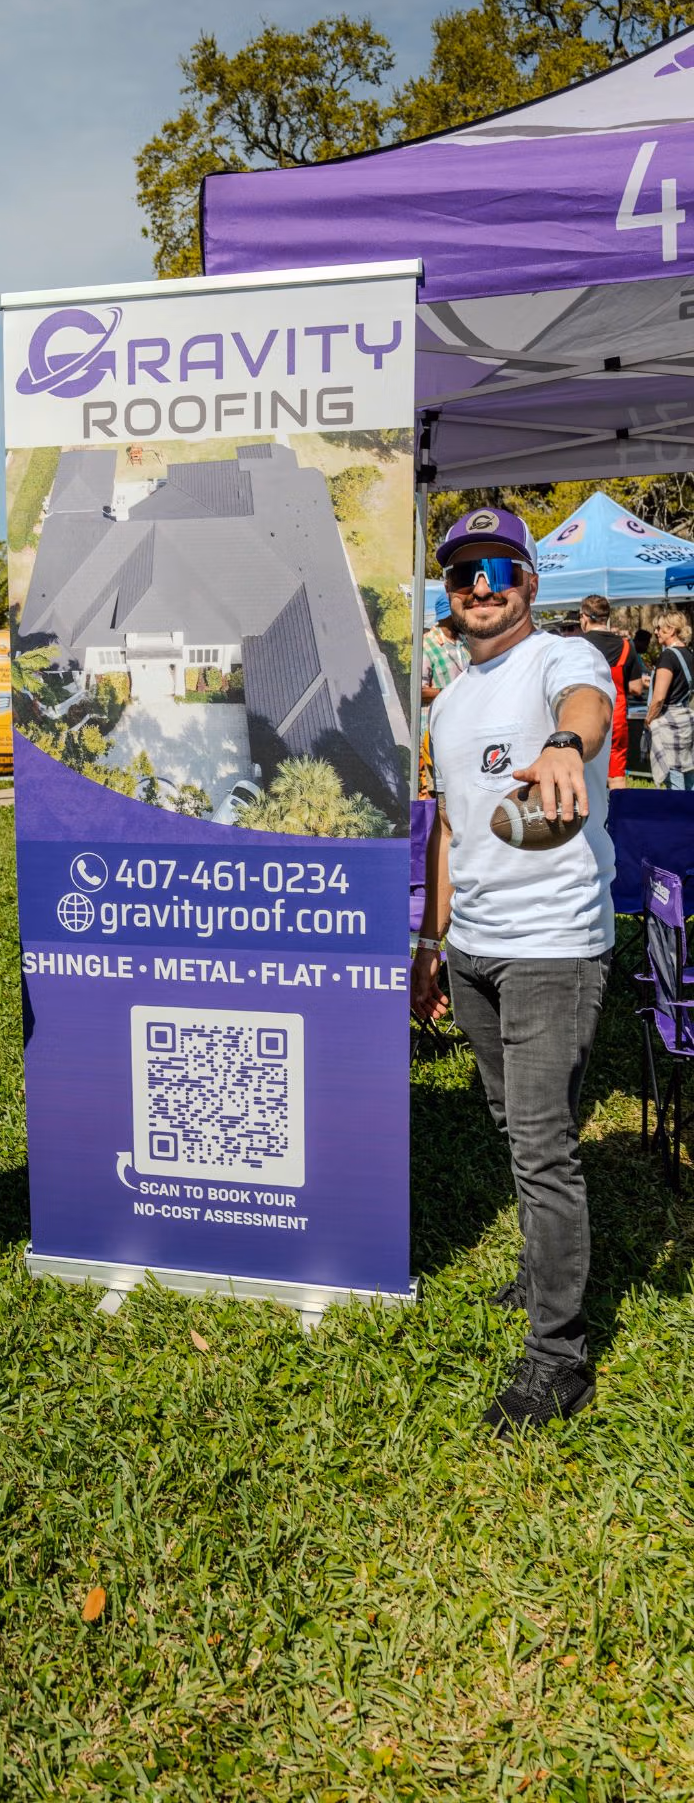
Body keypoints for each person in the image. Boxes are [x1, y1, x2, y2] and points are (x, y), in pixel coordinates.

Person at [410, 505, 615, 1438]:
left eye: (499, 570)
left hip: (552, 946)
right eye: (464, 574)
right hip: (474, 949)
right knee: (509, 1121)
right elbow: (451, 830)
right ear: (449, 595)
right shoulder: (449, 702)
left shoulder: (559, 660)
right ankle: (541, 1272)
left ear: (531, 582)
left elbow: (589, 708)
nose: (481, 588)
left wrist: (566, 746)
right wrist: (432, 945)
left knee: (540, 1145)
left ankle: (558, 1357)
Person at [576, 593, 647, 789]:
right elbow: (636, 688)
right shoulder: (626, 646)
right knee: (616, 775)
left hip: (583, 715)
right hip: (616, 716)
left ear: (584, 617)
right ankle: (618, 809)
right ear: (606, 617)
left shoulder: (576, 645)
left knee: (583, 770)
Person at [418, 593, 469, 796]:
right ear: (448, 615)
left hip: (463, 728)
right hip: (435, 732)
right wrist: (450, 691)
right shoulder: (426, 644)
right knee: (437, 792)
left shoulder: (464, 642)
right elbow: (418, 690)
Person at [644, 610, 694, 790]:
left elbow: (659, 698)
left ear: (671, 630)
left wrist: (648, 720)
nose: (656, 632)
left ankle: (678, 808)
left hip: (669, 724)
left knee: (673, 776)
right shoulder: (688, 654)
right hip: (685, 718)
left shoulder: (668, 656)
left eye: (659, 628)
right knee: (688, 773)